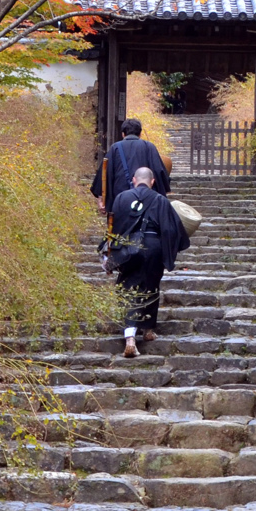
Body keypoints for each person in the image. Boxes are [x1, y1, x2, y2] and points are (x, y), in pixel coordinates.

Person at [110, 166, 190, 357]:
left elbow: (113, 225)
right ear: (152, 182)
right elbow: (171, 230)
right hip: (153, 246)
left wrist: (113, 254)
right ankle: (147, 330)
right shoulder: (160, 200)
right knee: (152, 285)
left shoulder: (122, 198)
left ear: (135, 180)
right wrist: (170, 250)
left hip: (129, 248)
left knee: (129, 287)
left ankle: (130, 336)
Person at [91, 118, 170, 215]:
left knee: (120, 228)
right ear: (140, 133)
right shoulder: (149, 147)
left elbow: (105, 174)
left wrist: (102, 199)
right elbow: (159, 171)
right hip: (146, 201)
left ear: (123, 134)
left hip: (120, 201)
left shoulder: (115, 148)